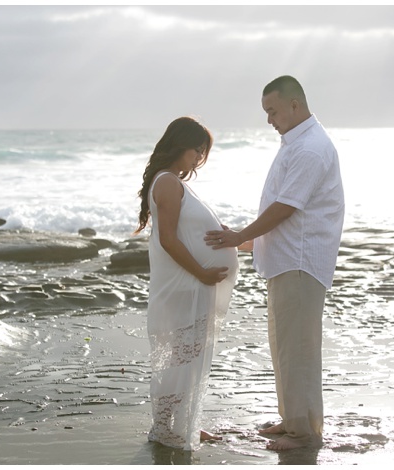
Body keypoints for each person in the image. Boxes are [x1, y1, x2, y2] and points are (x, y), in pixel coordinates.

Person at [205, 75, 345, 450]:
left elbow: (286, 207)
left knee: (297, 348)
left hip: (300, 264)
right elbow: (287, 210)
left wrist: (238, 237)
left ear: (294, 106)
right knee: (285, 346)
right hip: (288, 260)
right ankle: (292, 420)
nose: (269, 119)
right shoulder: (297, 143)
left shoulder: (310, 148)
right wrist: (249, 241)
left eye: (273, 111)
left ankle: (304, 433)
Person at [135, 116, 239, 451]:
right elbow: (167, 239)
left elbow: (190, 233)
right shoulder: (166, 182)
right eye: (197, 149)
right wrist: (201, 272)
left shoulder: (174, 182)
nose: (199, 157)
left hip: (190, 284)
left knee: (187, 356)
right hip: (184, 284)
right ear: (180, 145)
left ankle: (184, 423)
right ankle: (165, 429)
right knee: (180, 357)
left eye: (203, 151)